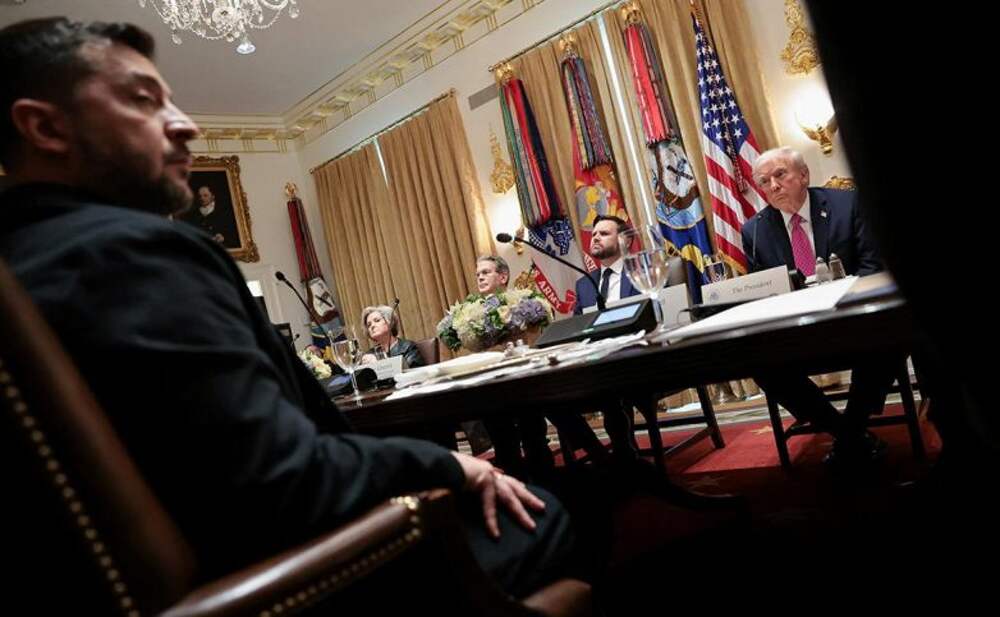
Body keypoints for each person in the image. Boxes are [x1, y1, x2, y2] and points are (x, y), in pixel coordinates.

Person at [0, 17, 575, 610]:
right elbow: (283, 479)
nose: (185, 124)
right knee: (554, 509)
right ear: (45, 126)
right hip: (296, 574)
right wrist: (450, 466)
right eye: (144, 100)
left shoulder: (21, 268)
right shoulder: (135, 251)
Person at [741, 146, 896, 465]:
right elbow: (762, 292)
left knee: (889, 339)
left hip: (852, 321)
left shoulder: (847, 204)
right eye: (764, 181)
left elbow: (872, 267)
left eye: (780, 174)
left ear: (803, 175)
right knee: (759, 363)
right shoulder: (754, 230)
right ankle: (849, 433)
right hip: (796, 333)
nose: (773, 185)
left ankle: (849, 432)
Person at [573, 215, 639, 315]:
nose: (596, 238)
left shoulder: (644, 273)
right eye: (594, 234)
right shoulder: (584, 285)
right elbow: (579, 323)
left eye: (604, 234)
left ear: (626, 241)